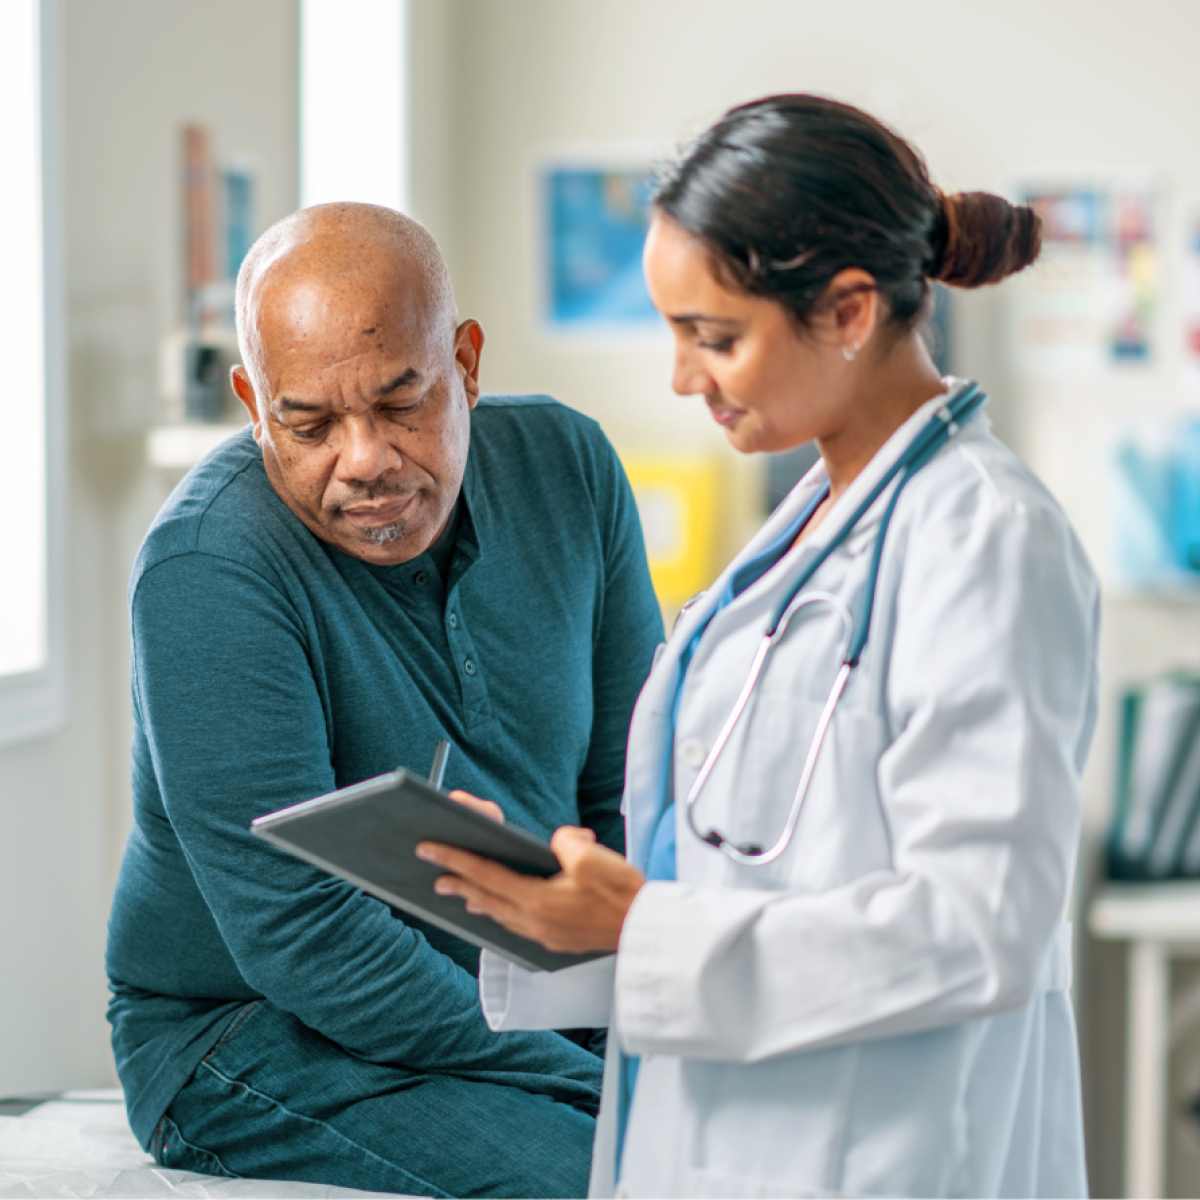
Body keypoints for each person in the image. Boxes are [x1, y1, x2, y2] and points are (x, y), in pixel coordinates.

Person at [420, 95, 1099, 1200]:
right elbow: (742, 871)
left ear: (846, 310)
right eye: (675, 333)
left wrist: (648, 928)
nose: (684, 379)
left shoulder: (987, 538)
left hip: (885, 1151)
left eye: (716, 337)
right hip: (724, 1133)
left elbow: (981, 926)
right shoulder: (805, 529)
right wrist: (562, 911)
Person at [105, 203, 664, 1200]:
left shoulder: (571, 470)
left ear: (467, 362)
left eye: (402, 404)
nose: (362, 461)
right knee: (624, 1175)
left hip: (533, 990)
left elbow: (632, 796)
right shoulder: (207, 569)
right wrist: (595, 1085)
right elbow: (299, 931)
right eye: (308, 423)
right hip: (250, 1030)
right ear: (251, 401)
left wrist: (655, 1020)